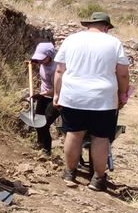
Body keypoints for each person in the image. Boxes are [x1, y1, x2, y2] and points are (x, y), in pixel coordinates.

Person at [53, 12, 130, 191]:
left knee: (74, 133)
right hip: (103, 99)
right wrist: (122, 94)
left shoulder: (71, 40)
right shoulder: (114, 43)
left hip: (73, 95)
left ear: (89, 25)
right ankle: (97, 179)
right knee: (101, 138)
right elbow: (123, 73)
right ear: (105, 27)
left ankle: (70, 173)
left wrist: (57, 95)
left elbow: (59, 71)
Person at [30, 41, 61, 155]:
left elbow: (58, 89)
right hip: (44, 95)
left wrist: (41, 94)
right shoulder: (42, 62)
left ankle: (46, 150)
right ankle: (39, 142)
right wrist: (34, 61)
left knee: (44, 123)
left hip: (56, 98)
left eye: (42, 58)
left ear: (50, 56)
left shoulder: (56, 68)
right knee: (37, 120)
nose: (40, 61)